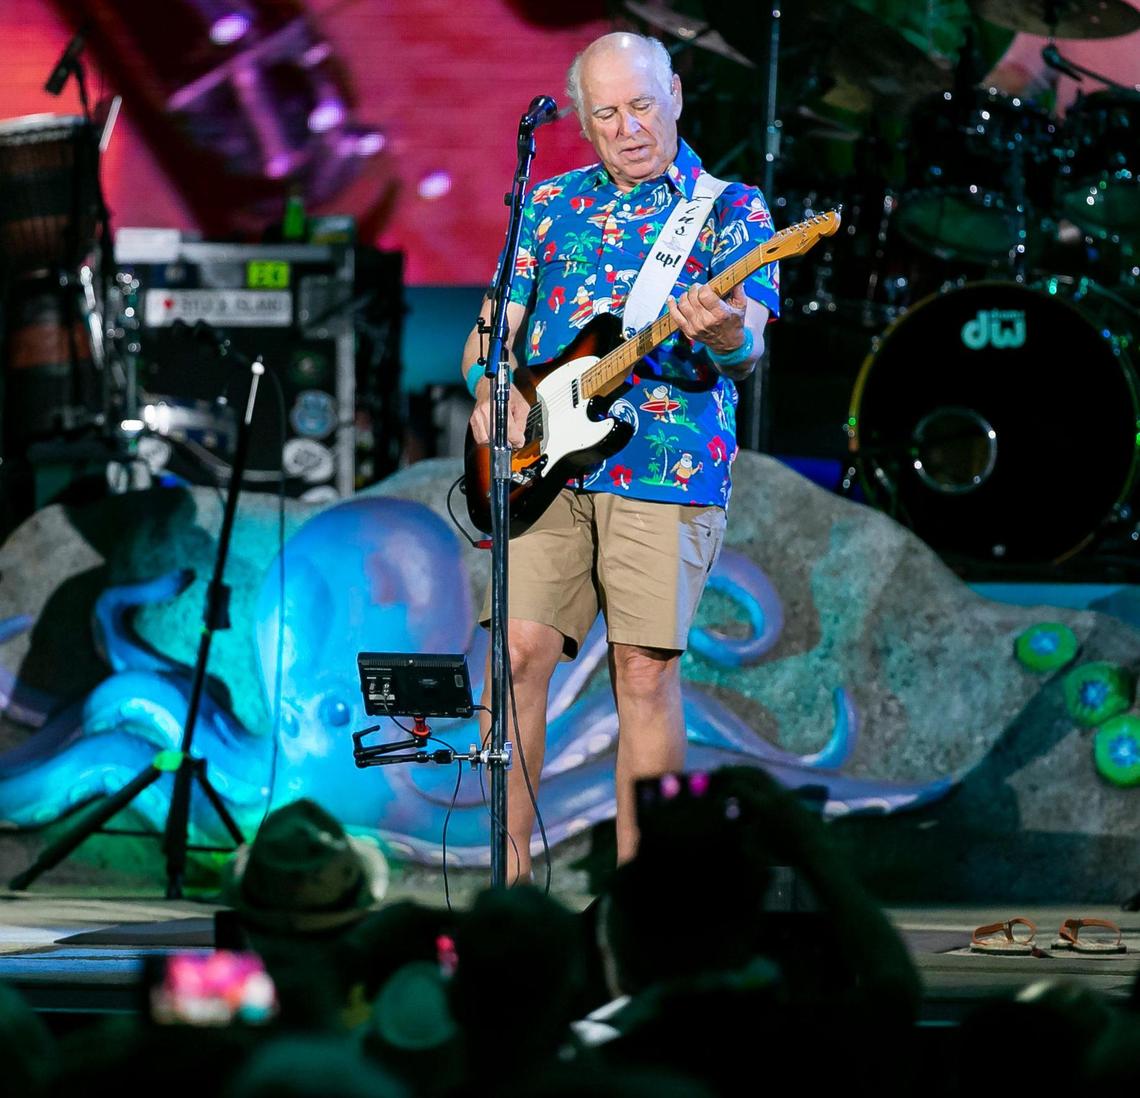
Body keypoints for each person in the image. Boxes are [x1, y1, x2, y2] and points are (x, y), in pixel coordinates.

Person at [460, 31, 780, 881]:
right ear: (584, 122)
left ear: (675, 93)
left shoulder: (732, 210)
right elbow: (492, 333)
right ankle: (511, 886)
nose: (629, 127)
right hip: (543, 466)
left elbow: (747, 342)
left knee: (642, 673)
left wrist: (723, 336)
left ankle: (651, 899)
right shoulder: (551, 203)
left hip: (666, 461)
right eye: (606, 114)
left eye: (642, 105)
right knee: (516, 652)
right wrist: (492, 388)